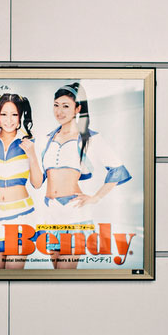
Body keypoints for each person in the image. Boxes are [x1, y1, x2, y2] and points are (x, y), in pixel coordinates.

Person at [39, 82, 131, 269]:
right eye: (56, 105)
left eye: (66, 106)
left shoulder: (89, 138)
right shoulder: (48, 138)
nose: (59, 111)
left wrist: (96, 197)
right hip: (50, 212)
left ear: (77, 109)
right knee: (55, 273)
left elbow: (117, 169)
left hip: (74, 212)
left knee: (64, 274)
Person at [0, 93, 43, 269]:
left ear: (20, 117)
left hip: (20, 215)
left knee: (14, 274)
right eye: (4, 114)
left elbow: (37, 183)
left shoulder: (28, 142)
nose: (9, 120)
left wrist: (32, 154)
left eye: (14, 114)